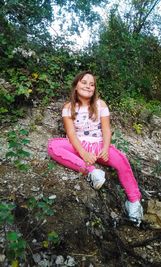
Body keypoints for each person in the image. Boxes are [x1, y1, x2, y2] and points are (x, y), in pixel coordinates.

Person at [47, 70, 143, 226]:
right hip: (78, 144)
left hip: (99, 145)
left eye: (91, 84)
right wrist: (83, 153)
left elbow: (106, 129)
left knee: (122, 161)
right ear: (76, 85)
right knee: (53, 146)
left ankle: (134, 203)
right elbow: (71, 133)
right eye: (84, 82)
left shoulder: (100, 104)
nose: (88, 86)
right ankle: (91, 172)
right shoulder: (68, 107)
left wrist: (105, 148)